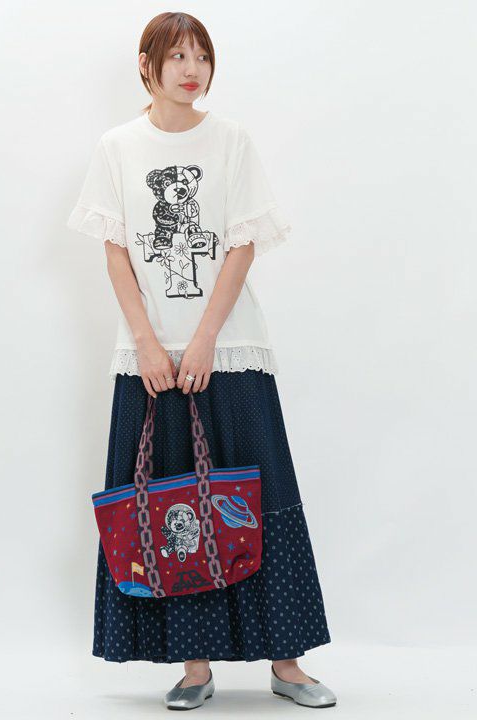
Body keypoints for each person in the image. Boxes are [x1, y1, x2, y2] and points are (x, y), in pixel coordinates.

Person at [67, 11, 337, 711]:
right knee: (170, 510)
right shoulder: (117, 147)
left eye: (202, 57)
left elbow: (242, 245)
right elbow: (116, 254)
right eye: (178, 57)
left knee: (256, 498)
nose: (193, 70)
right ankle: (194, 668)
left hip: (231, 349)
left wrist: (206, 337)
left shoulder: (232, 141)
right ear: (147, 66)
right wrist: (147, 343)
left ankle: (287, 662)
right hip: (148, 359)